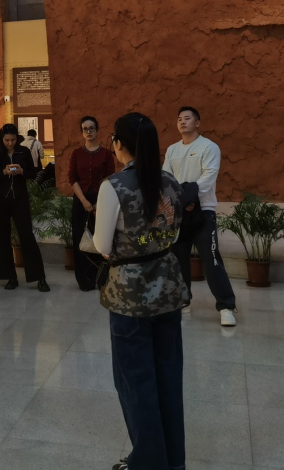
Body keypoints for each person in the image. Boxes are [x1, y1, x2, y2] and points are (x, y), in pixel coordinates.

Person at [94, 112, 189, 470]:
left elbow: (103, 245)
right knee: (168, 378)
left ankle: (148, 463)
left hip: (129, 295)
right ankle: (172, 462)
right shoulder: (171, 181)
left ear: (119, 144)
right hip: (168, 287)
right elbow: (173, 233)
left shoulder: (114, 186)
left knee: (136, 383)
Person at [165, 106, 237, 326]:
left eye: (187, 118)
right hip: (180, 212)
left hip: (203, 211)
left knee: (211, 260)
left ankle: (226, 306)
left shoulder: (209, 147)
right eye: (179, 118)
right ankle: (183, 300)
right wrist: (181, 201)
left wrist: (190, 198)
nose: (182, 121)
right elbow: (167, 179)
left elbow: (208, 177)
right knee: (178, 259)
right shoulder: (172, 150)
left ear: (197, 123)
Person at [0, 123, 48, 292]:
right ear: (2, 139)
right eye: (7, 140)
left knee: (27, 235)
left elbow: (34, 172)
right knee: (2, 237)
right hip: (1, 199)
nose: (10, 143)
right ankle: (10, 277)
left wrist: (22, 171)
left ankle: (39, 277)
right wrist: (4, 173)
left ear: (17, 138)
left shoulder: (24, 151)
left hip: (20, 199)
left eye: (13, 140)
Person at [69, 115, 116, 291]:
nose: (88, 132)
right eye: (85, 129)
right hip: (80, 200)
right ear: (82, 132)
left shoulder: (106, 154)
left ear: (97, 130)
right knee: (80, 238)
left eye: (91, 128)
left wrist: (98, 203)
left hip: (101, 199)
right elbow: (72, 178)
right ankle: (84, 280)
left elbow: (110, 178)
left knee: (101, 238)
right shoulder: (76, 153)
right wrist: (84, 201)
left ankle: (101, 278)